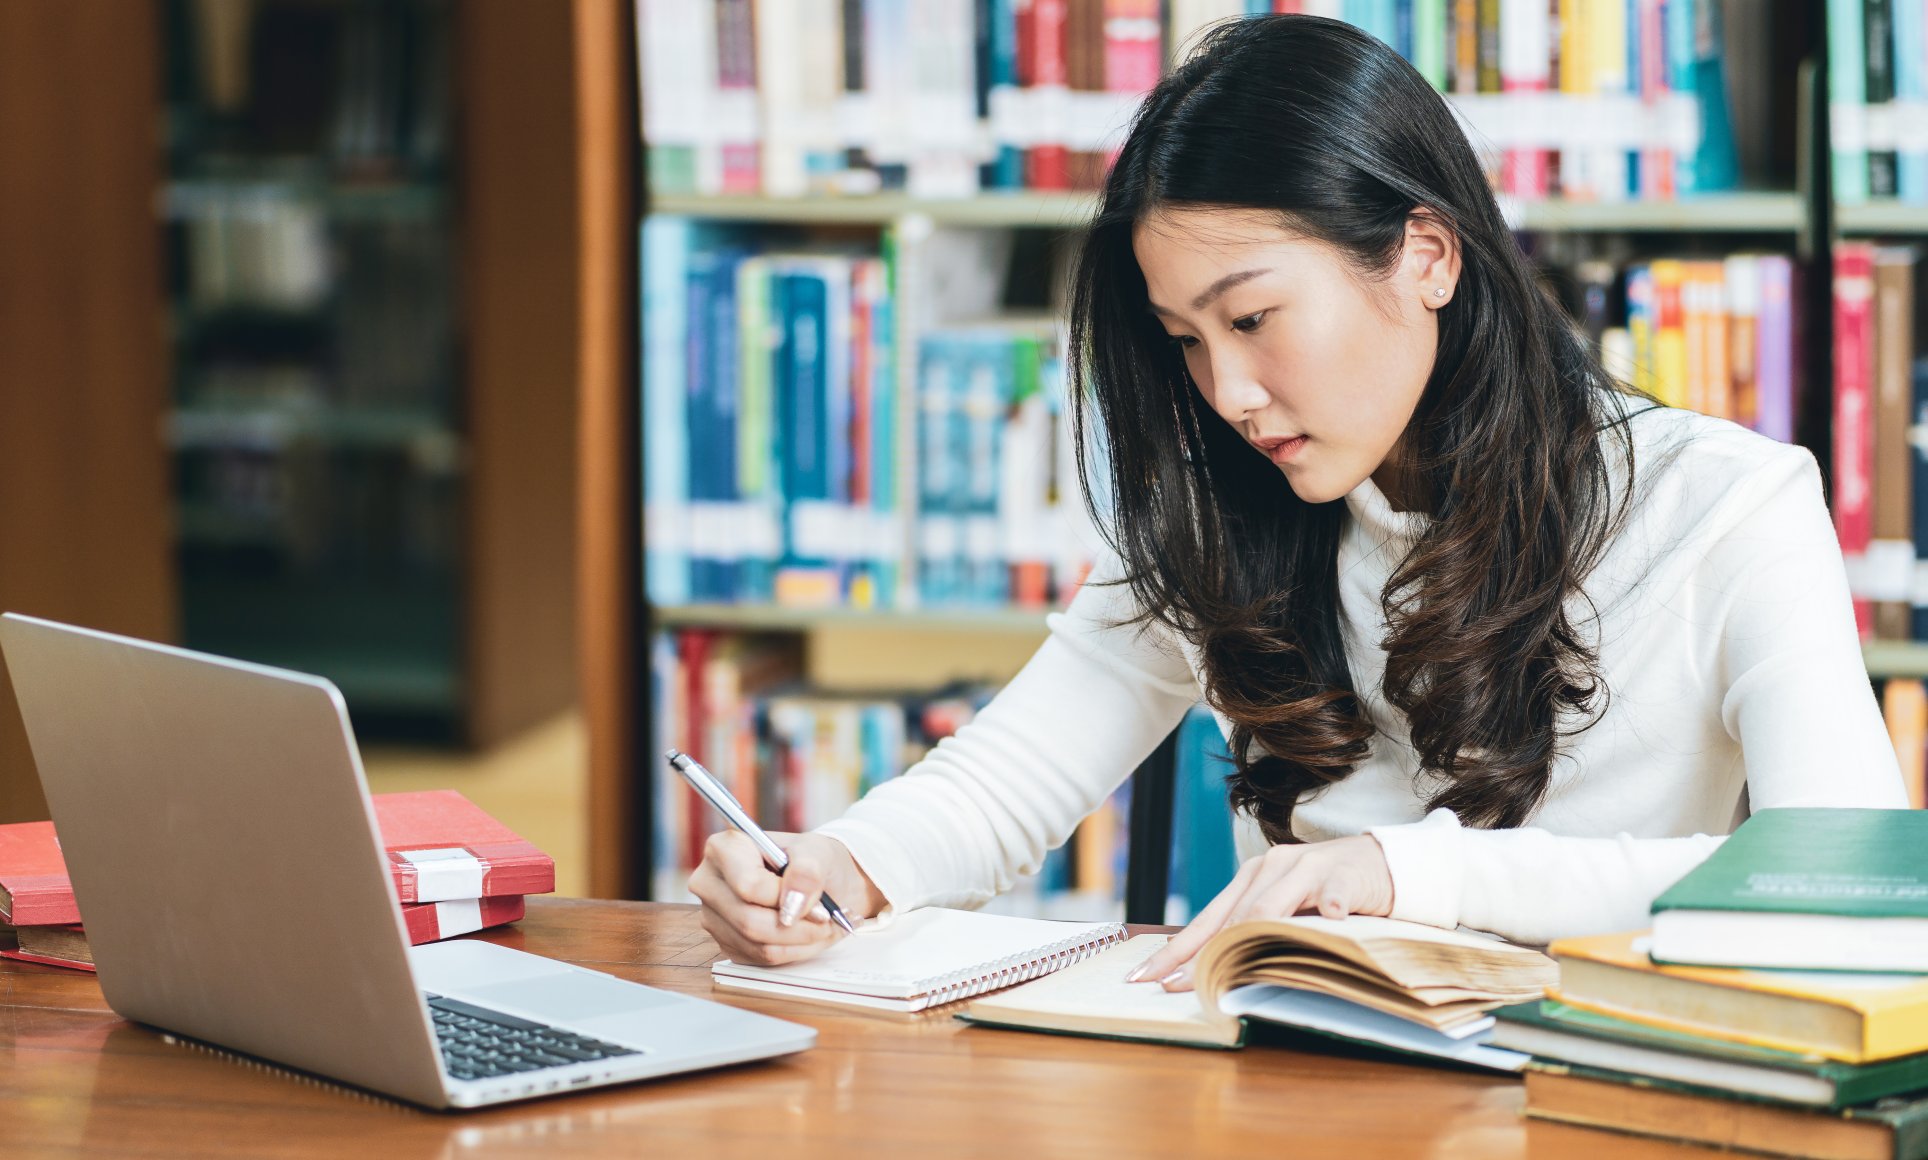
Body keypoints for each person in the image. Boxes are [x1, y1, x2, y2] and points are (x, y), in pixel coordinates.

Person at [688, 14, 1909, 988]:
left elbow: (1840, 879)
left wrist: (1400, 873)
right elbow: (1006, 776)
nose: (1227, 390)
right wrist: (843, 865)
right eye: (1183, 340)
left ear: (1425, 255)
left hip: (1598, 1093)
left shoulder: (1725, 508)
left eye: (1254, 317)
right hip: (1297, 1094)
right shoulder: (1230, 510)